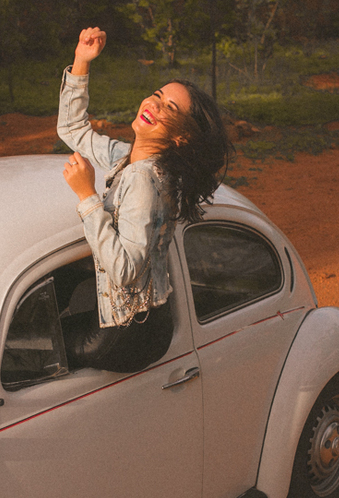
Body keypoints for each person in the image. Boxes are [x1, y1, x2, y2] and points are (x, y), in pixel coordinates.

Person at [57, 26, 232, 373]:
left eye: (169, 107)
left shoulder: (143, 179)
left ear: (180, 137)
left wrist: (87, 194)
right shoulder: (131, 157)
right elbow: (72, 130)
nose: (153, 103)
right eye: (157, 94)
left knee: (26, 347)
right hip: (140, 321)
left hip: (121, 334)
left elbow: (123, 271)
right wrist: (81, 59)